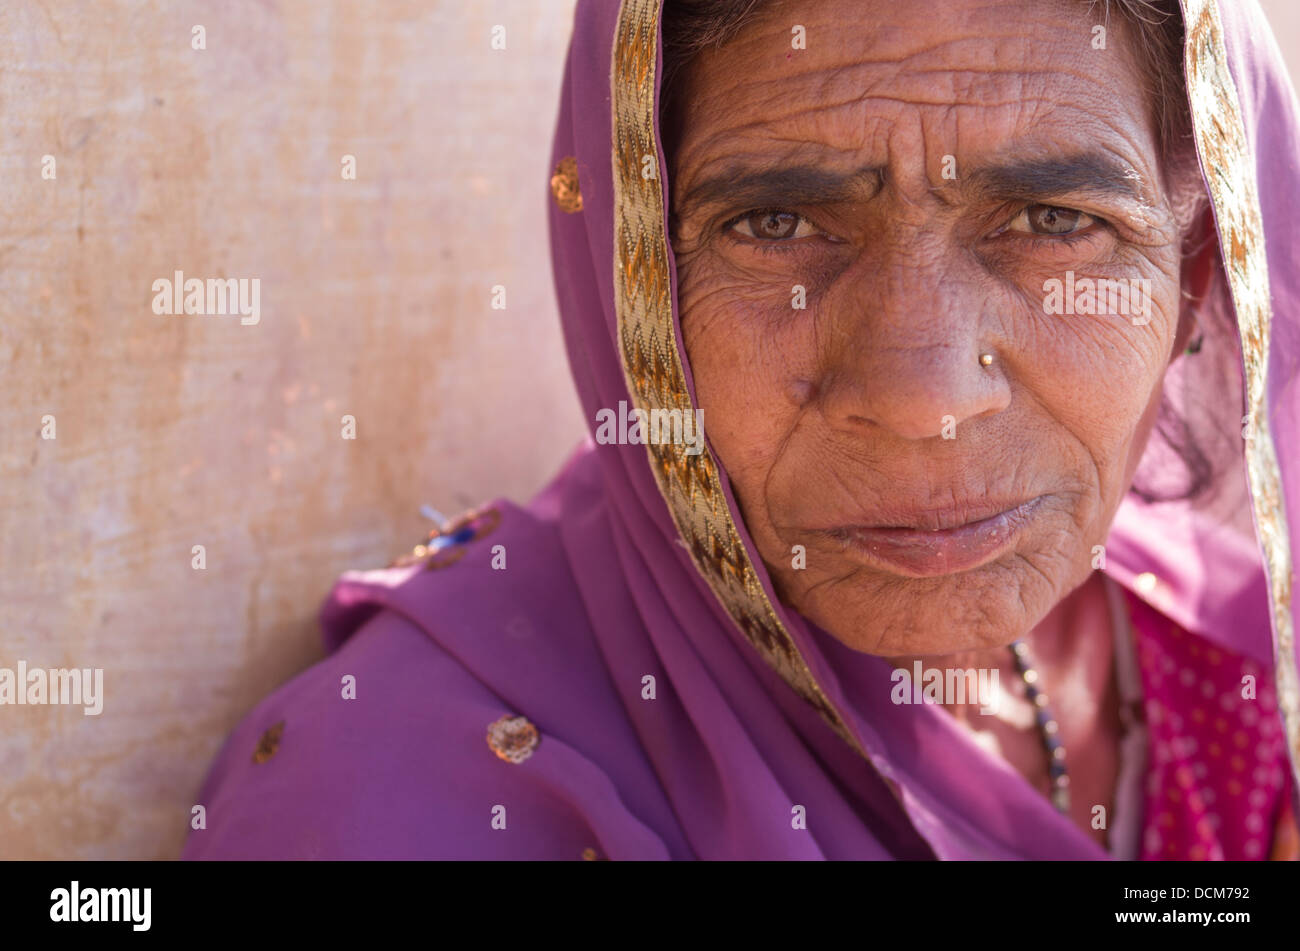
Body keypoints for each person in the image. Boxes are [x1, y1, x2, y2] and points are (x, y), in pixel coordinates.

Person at [183, 0, 1300, 860]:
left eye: (1056, 222)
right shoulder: (410, 793)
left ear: (1198, 277)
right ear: (634, 282)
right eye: (777, 223)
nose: (923, 395)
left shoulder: (1236, 670)